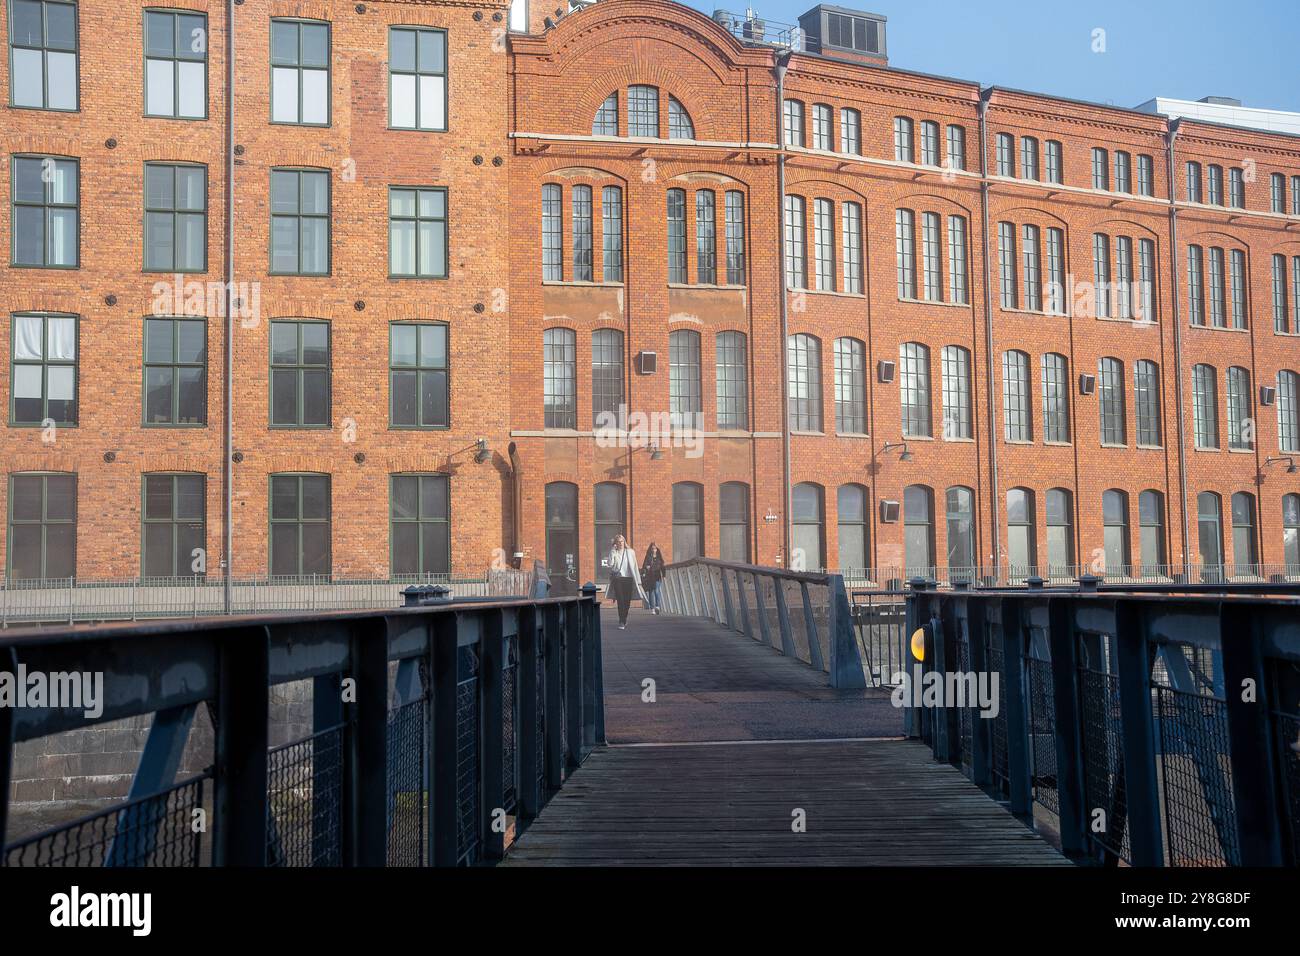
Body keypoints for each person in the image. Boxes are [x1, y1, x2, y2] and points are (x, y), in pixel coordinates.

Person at [605, 534, 647, 629]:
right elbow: (610, 564)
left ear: (624, 542)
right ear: (615, 543)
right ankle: (621, 621)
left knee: (627, 601)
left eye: (622, 541)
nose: (620, 543)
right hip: (618, 579)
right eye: (618, 541)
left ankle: (624, 618)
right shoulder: (614, 552)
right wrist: (612, 552)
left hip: (628, 579)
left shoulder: (630, 552)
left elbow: (635, 566)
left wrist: (638, 580)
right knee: (620, 600)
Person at [640, 542, 665, 614]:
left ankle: (657, 606)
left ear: (657, 549)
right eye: (652, 548)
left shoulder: (659, 557)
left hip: (657, 576)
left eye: (655, 548)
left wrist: (664, 575)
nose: (654, 550)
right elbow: (644, 565)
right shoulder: (648, 557)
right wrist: (646, 567)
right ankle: (652, 608)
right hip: (650, 576)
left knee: (656, 591)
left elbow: (662, 566)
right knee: (651, 592)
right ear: (650, 549)